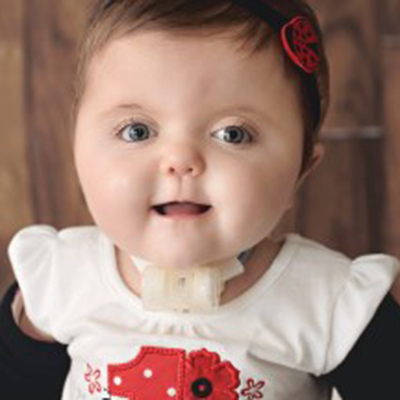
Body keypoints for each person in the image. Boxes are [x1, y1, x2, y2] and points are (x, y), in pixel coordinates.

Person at [2, 0, 400, 398]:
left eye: (233, 134)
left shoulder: (331, 306)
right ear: (75, 146)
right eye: (137, 131)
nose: (180, 161)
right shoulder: (59, 282)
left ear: (300, 170)